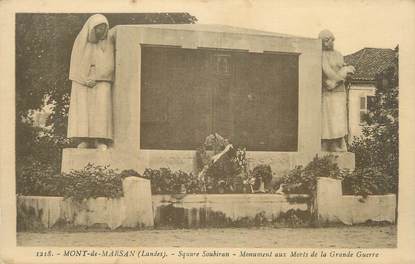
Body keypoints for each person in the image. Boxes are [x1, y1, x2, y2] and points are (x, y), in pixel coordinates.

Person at [67, 14, 116, 150]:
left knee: (101, 109)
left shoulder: (108, 43)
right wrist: (84, 79)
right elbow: (75, 66)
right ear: (91, 28)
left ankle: (99, 139)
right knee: (84, 110)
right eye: (98, 28)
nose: (101, 31)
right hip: (83, 82)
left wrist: (99, 76)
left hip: (101, 80)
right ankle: (84, 139)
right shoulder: (81, 42)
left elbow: (110, 64)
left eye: (103, 28)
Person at [318, 29, 355, 152]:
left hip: (339, 91)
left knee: (339, 117)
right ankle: (329, 143)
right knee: (329, 118)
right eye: (326, 40)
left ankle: (339, 142)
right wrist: (341, 76)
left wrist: (344, 75)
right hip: (328, 92)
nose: (329, 42)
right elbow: (327, 72)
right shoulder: (321, 54)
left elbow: (343, 69)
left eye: (330, 40)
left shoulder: (338, 54)